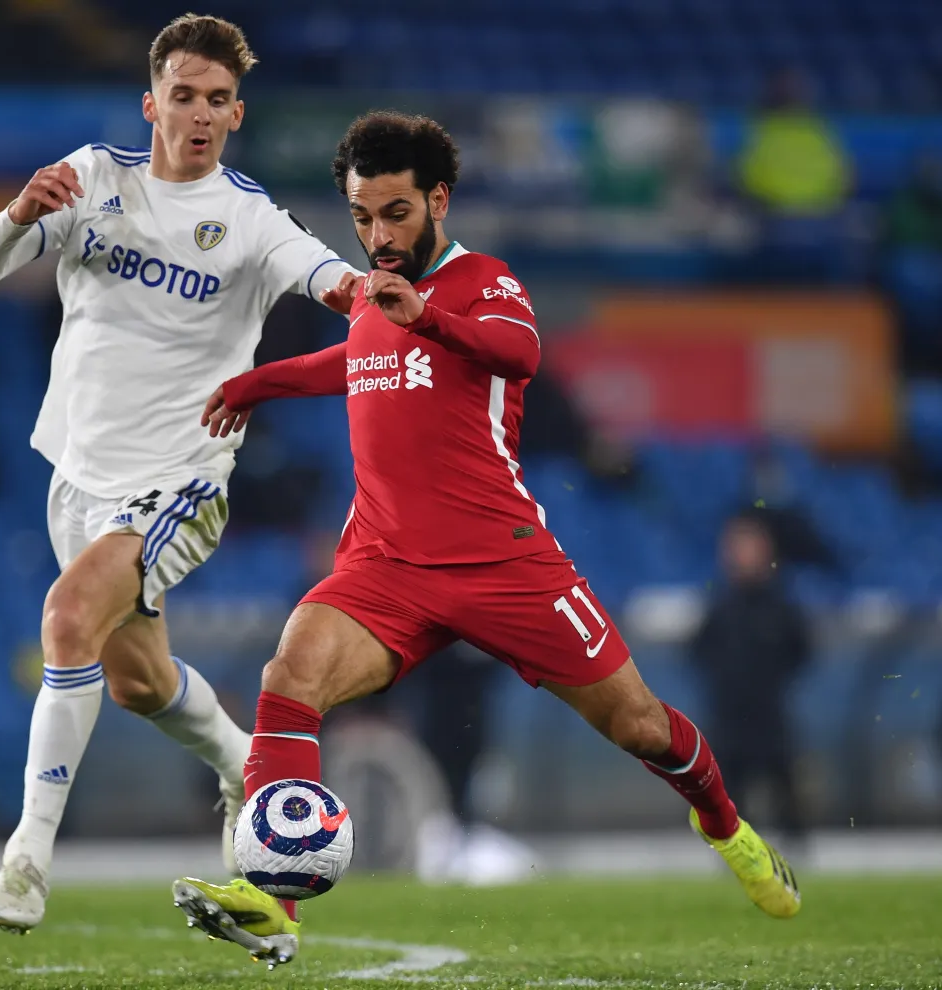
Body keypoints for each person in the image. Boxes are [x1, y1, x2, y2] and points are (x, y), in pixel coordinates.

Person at [171, 112, 801, 968]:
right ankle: (275, 901)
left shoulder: (483, 282)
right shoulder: (372, 300)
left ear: (437, 199)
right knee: (291, 674)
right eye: (360, 217)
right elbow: (354, 357)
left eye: (394, 213)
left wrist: (426, 315)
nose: (377, 234)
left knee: (642, 725)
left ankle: (726, 826)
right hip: (386, 563)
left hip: (503, 563)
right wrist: (258, 381)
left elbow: (519, 353)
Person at [0, 14, 359, 933]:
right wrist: (19, 214)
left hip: (180, 483)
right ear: (152, 103)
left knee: (65, 617)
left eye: (218, 100)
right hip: (78, 474)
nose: (201, 113)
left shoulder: (252, 218)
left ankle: (25, 862)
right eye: (184, 95)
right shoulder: (94, 177)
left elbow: (324, 273)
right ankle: (242, 765)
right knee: (137, 681)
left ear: (238, 113)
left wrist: (357, 292)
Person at [691, 514, 810, 840]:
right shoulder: (720, 606)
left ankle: (796, 856)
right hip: (729, 720)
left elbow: (800, 651)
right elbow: (699, 652)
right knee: (728, 802)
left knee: (785, 794)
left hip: (770, 717)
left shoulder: (781, 606)